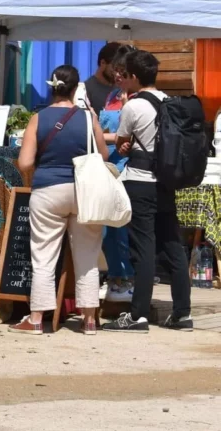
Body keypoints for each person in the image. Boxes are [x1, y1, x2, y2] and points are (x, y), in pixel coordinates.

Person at [12, 65, 109, 335]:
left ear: (51, 88)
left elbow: (25, 162)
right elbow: (103, 157)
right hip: (83, 192)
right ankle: (89, 319)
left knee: (43, 256)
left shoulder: (38, 118)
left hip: (47, 191)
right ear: (76, 89)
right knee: (87, 256)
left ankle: (35, 319)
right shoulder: (89, 118)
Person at [104, 50, 193, 332]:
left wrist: (124, 146)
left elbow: (121, 143)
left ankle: (138, 314)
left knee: (142, 249)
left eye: (124, 75)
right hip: (167, 182)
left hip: (140, 182)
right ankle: (182, 314)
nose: (122, 78)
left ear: (133, 77)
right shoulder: (171, 102)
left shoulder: (132, 106)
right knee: (172, 246)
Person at [98, 45, 136, 303]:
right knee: (105, 229)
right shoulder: (112, 94)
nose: (118, 75)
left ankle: (126, 280)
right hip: (105, 168)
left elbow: (131, 137)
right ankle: (114, 277)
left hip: (124, 168)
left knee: (120, 229)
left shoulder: (134, 99)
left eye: (123, 71)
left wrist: (102, 135)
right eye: (116, 69)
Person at [84, 42, 125, 114]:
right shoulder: (87, 89)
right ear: (103, 63)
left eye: (121, 69)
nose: (118, 73)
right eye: (115, 68)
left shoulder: (121, 88)